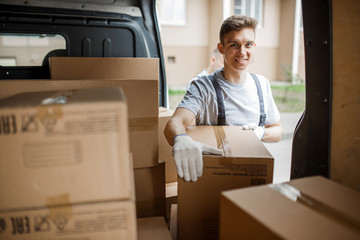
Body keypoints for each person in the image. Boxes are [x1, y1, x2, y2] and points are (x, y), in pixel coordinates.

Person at [164, 15, 283, 182]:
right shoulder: (202, 87)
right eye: (234, 45)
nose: (242, 52)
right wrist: (180, 139)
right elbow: (175, 122)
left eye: (248, 44)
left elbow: (277, 131)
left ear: (254, 46)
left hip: (253, 178)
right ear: (221, 48)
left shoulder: (262, 84)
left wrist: (261, 132)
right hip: (215, 178)